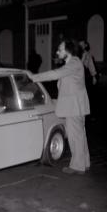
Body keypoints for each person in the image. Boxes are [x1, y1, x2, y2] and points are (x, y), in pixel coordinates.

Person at [27, 40, 90, 175]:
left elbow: (54, 74)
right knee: (80, 136)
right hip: (75, 106)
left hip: (74, 107)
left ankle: (77, 166)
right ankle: (84, 162)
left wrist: (33, 77)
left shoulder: (74, 63)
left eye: (60, 50)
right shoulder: (73, 64)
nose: (57, 52)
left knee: (75, 137)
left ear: (68, 51)